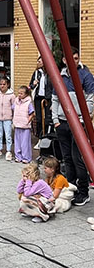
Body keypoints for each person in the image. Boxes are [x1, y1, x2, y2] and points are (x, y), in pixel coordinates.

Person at [51, 48, 94, 206]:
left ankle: (83, 192)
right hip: (62, 122)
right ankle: (70, 189)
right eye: (71, 58)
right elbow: (54, 99)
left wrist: (82, 118)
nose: (74, 61)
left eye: (76, 58)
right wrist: (55, 120)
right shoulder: (59, 77)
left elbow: (90, 100)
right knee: (67, 158)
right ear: (64, 60)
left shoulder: (86, 76)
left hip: (78, 122)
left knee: (78, 158)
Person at [0, 78, 15, 161]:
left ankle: (8, 151)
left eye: (4, 84)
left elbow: (13, 106)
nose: (2, 86)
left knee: (8, 134)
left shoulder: (11, 95)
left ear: (8, 85)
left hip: (7, 117)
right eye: (1, 84)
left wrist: (11, 115)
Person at [13, 85, 35, 164]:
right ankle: (18, 156)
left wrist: (28, 121)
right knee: (17, 142)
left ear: (26, 94)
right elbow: (13, 109)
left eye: (21, 93)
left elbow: (32, 113)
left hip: (25, 126)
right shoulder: (16, 101)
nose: (19, 95)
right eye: (18, 93)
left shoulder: (29, 102)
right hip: (17, 124)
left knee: (25, 143)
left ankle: (26, 157)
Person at [29, 56, 48, 138]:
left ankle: (47, 135)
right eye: (38, 61)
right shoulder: (36, 73)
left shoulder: (48, 73)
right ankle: (40, 137)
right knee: (39, 118)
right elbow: (30, 86)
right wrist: (34, 84)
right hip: (38, 97)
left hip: (47, 97)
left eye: (40, 61)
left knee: (47, 118)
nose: (38, 63)